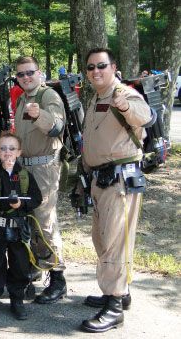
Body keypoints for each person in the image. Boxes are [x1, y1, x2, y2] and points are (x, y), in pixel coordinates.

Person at [80, 48, 152, 333]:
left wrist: (124, 107)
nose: (95, 71)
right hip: (100, 179)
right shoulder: (97, 97)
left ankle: (114, 307)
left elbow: (143, 116)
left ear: (113, 67)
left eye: (101, 66)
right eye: (90, 67)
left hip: (120, 180)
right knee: (102, 238)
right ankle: (117, 291)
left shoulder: (124, 93)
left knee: (114, 240)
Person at [13, 56, 67, 304]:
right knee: (29, 221)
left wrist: (39, 116)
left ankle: (58, 278)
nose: (26, 77)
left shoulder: (48, 97)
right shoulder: (22, 99)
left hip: (45, 168)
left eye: (30, 72)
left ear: (40, 73)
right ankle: (36, 263)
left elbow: (56, 126)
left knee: (45, 222)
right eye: (21, 74)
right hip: (25, 168)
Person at [0, 133, 42, 321]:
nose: (8, 152)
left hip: (18, 228)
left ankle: (17, 298)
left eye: (12, 148)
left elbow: (37, 199)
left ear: (19, 152)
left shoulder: (25, 176)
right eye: (3, 149)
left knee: (19, 263)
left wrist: (22, 204)